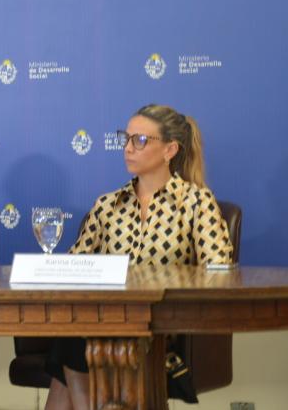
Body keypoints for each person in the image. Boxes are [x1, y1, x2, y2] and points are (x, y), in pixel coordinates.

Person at [45, 104, 234, 410]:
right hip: (100, 324)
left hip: (160, 332)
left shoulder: (197, 202)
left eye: (140, 140)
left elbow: (220, 272)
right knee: (73, 337)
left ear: (169, 149)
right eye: (126, 138)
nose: (128, 148)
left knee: (70, 349)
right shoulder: (107, 205)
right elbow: (73, 267)